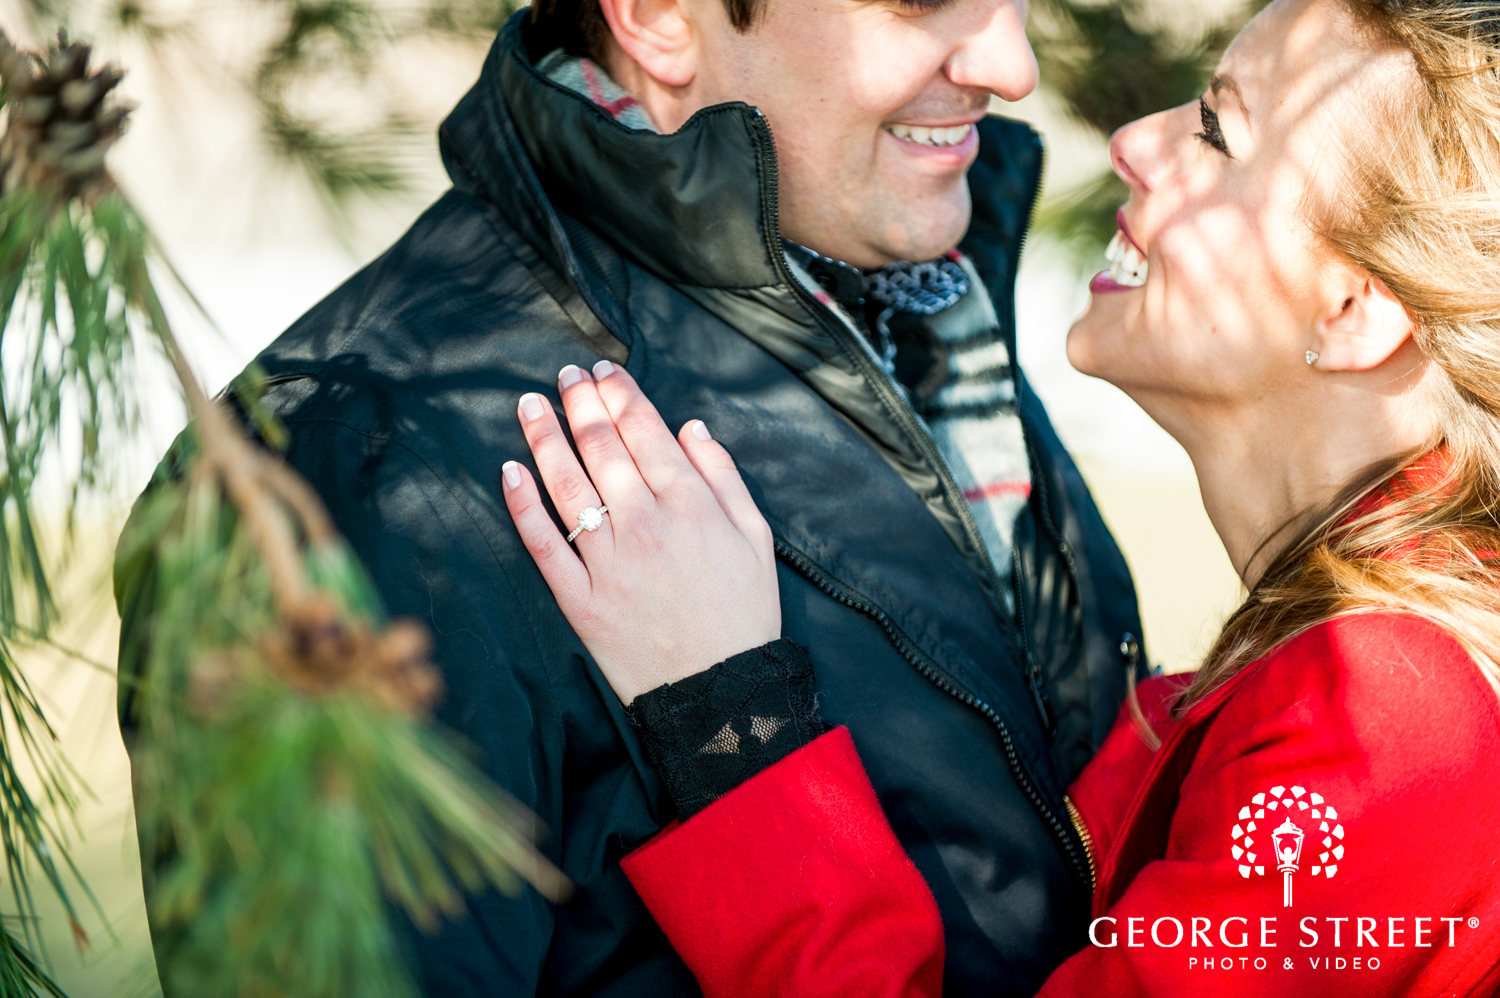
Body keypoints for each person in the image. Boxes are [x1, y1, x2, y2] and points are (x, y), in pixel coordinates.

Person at [113, 0, 1149, 993]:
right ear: (655, 16)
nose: (1014, 65)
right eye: (917, 0)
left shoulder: (910, 303)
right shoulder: (356, 474)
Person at [500, 0, 1500, 994]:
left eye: (1215, 132)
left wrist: (731, 721)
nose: (1135, 142)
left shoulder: (1390, 712)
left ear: (1355, 307)